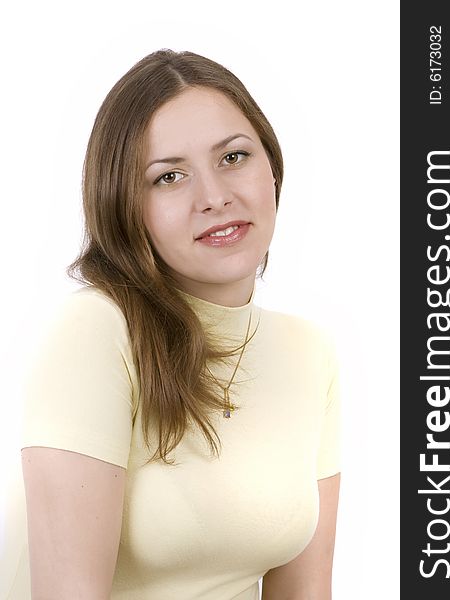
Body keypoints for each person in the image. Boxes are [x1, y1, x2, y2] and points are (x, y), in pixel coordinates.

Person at [15, 49, 341, 599]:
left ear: (273, 167)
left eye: (234, 158)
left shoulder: (308, 352)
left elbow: (304, 592)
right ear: (123, 204)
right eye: (168, 176)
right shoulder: (98, 331)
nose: (214, 197)